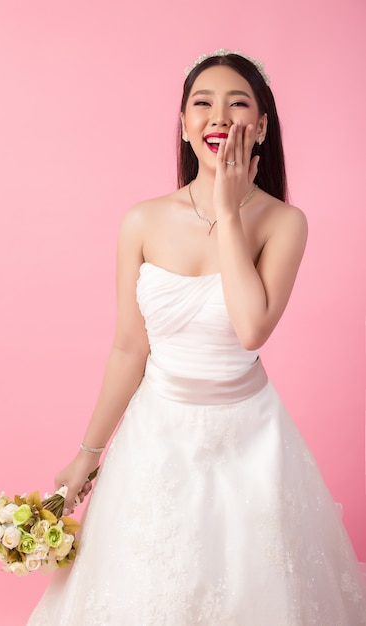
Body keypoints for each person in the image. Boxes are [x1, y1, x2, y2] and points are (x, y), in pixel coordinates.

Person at [27, 50, 366, 625]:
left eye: (238, 105)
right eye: (201, 104)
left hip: (250, 438)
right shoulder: (142, 220)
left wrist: (229, 214)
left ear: (260, 127)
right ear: (184, 126)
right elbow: (129, 348)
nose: (218, 118)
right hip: (157, 434)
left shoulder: (285, 223)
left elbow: (251, 327)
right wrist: (86, 456)